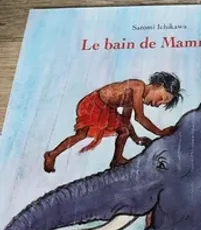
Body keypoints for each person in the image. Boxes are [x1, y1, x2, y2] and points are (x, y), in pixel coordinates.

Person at [43, 72, 183, 173]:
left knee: (124, 130)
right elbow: (139, 117)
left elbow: (126, 121)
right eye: (162, 98)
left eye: (163, 103)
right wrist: (160, 132)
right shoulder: (138, 86)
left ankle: (117, 159)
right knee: (82, 134)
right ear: (158, 85)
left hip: (108, 109)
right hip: (94, 104)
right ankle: (52, 154)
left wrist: (137, 139)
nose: (158, 104)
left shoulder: (135, 99)